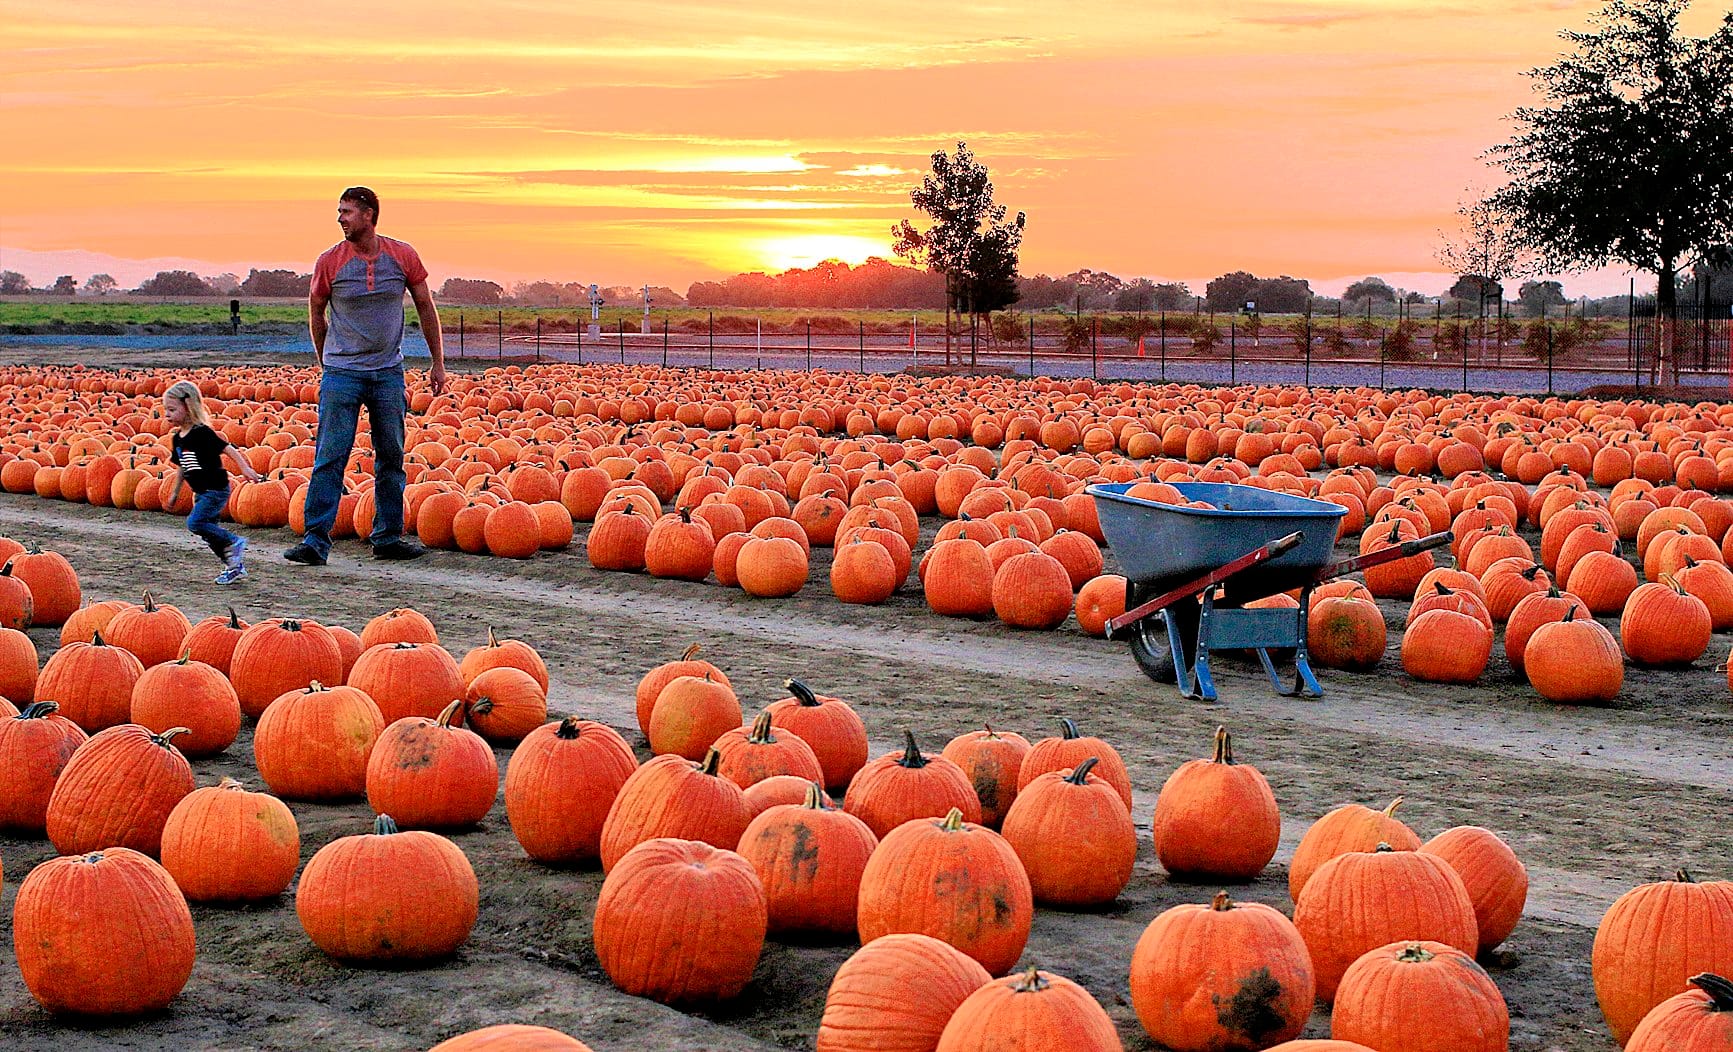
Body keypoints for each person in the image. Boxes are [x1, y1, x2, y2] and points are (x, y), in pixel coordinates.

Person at [284, 185, 446, 567]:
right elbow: (316, 313)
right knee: (330, 455)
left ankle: (387, 537)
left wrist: (437, 362)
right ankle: (315, 540)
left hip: (388, 372)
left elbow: (426, 308)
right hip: (343, 374)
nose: (340, 219)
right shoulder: (330, 261)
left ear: (369, 214)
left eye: (346, 212)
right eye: (339, 213)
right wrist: (327, 363)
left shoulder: (402, 256)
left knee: (391, 454)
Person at [163, 380, 262, 585]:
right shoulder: (178, 438)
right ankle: (233, 566)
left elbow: (228, 449)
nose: (167, 415)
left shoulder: (201, 433)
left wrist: (245, 469)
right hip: (201, 492)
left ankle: (234, 541)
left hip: (215, 489)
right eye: (166, 410)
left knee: (195, 523)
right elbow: (182, 466)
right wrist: (175, 492)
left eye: (172, 409)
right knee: (210, 534)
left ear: (188, 407)